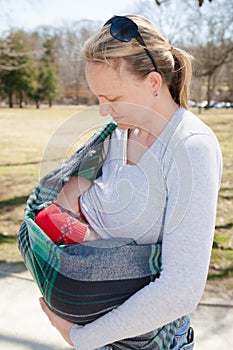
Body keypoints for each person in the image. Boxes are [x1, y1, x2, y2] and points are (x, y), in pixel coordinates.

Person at [39, 14, 223, 350]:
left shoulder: (191, 147)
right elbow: (65, 200)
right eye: (98, 97)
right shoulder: (118, 134)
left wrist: (80, 337)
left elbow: (180, 291)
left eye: (112, 97)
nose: (102, 110)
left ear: (154, 83)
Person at [35, 175, 99, 245]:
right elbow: (94, 237)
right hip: (62, 222)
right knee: (94, 237)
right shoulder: (67, 223)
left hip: (44, 216)